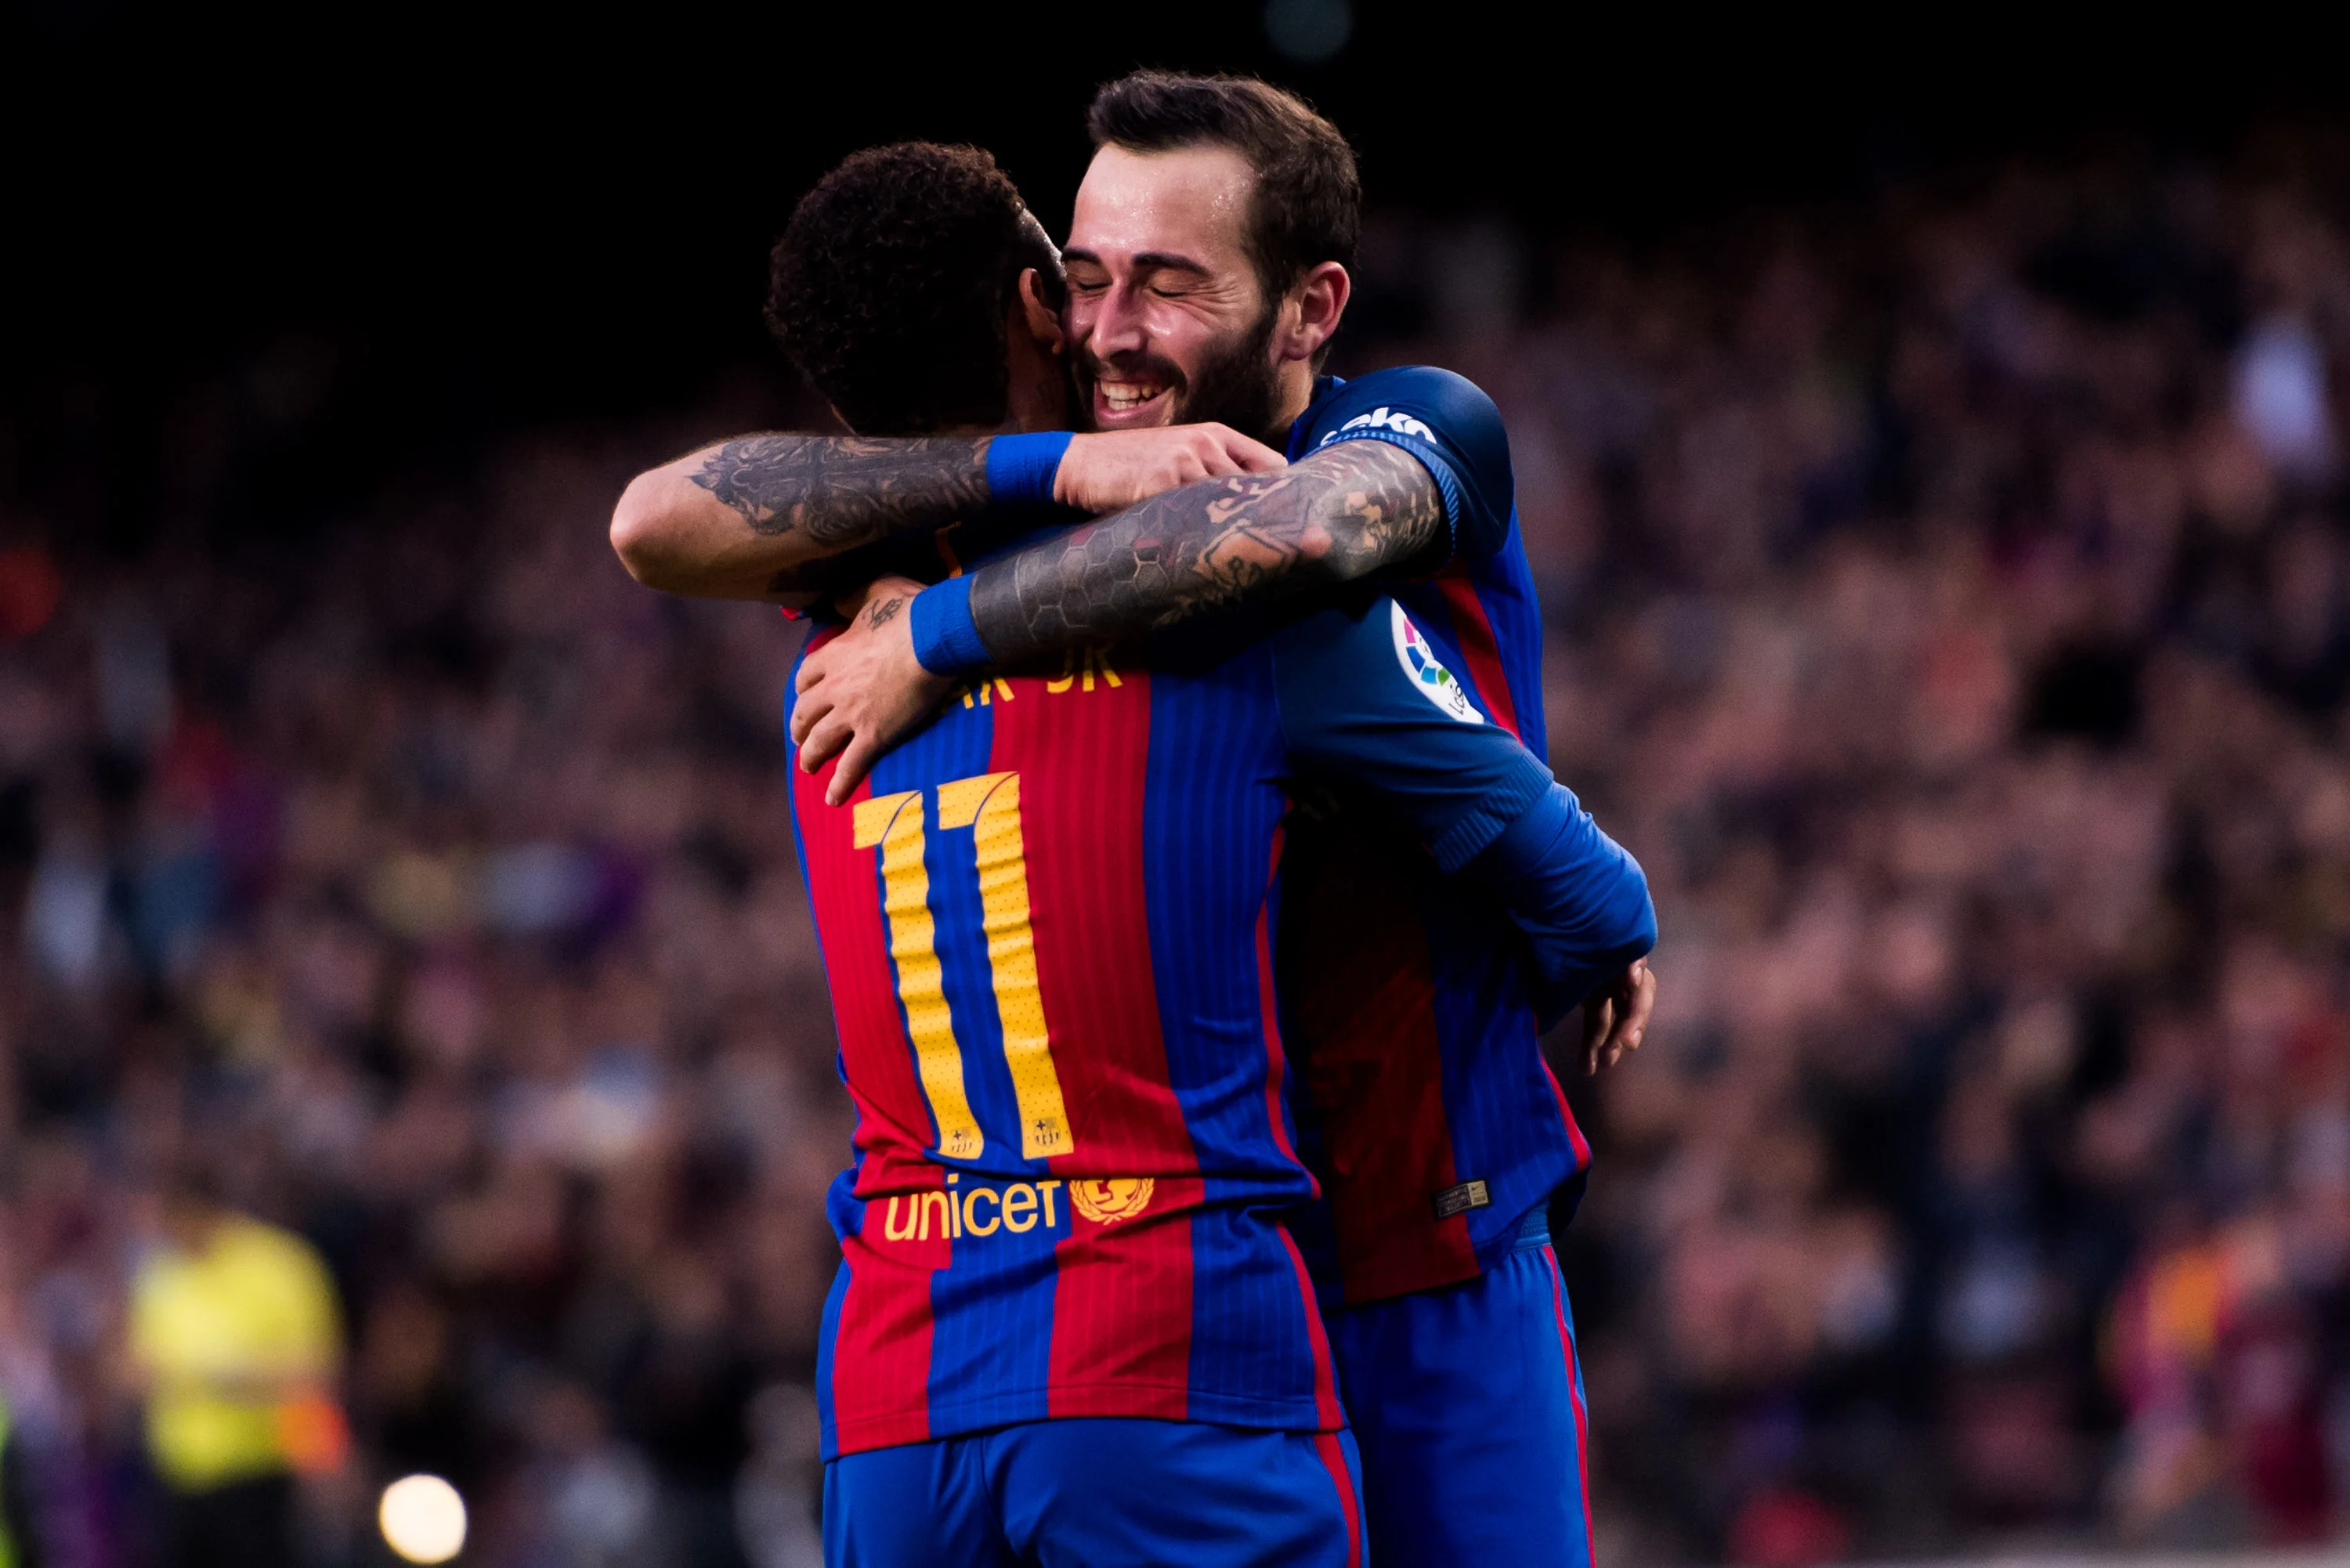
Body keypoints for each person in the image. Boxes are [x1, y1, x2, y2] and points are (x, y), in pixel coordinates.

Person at [620, 76, 1650, 1566]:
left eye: (1167, 284)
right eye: (1086, 277)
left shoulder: (1415, 425)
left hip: (1423, 1248)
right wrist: (1044, 477)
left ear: (1308, 308)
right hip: (1206, 1277)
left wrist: (938, 633)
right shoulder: (1027, 513)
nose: (1105, 329)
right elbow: (654, 517)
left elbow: (1292, 534)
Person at [127, 1169, 345, 1568]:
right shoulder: (160, 1272)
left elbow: (318, 1367)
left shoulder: (278, 1264)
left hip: (260, 1472)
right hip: (180, 1479)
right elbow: (137, 1361)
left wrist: (230, 1376)